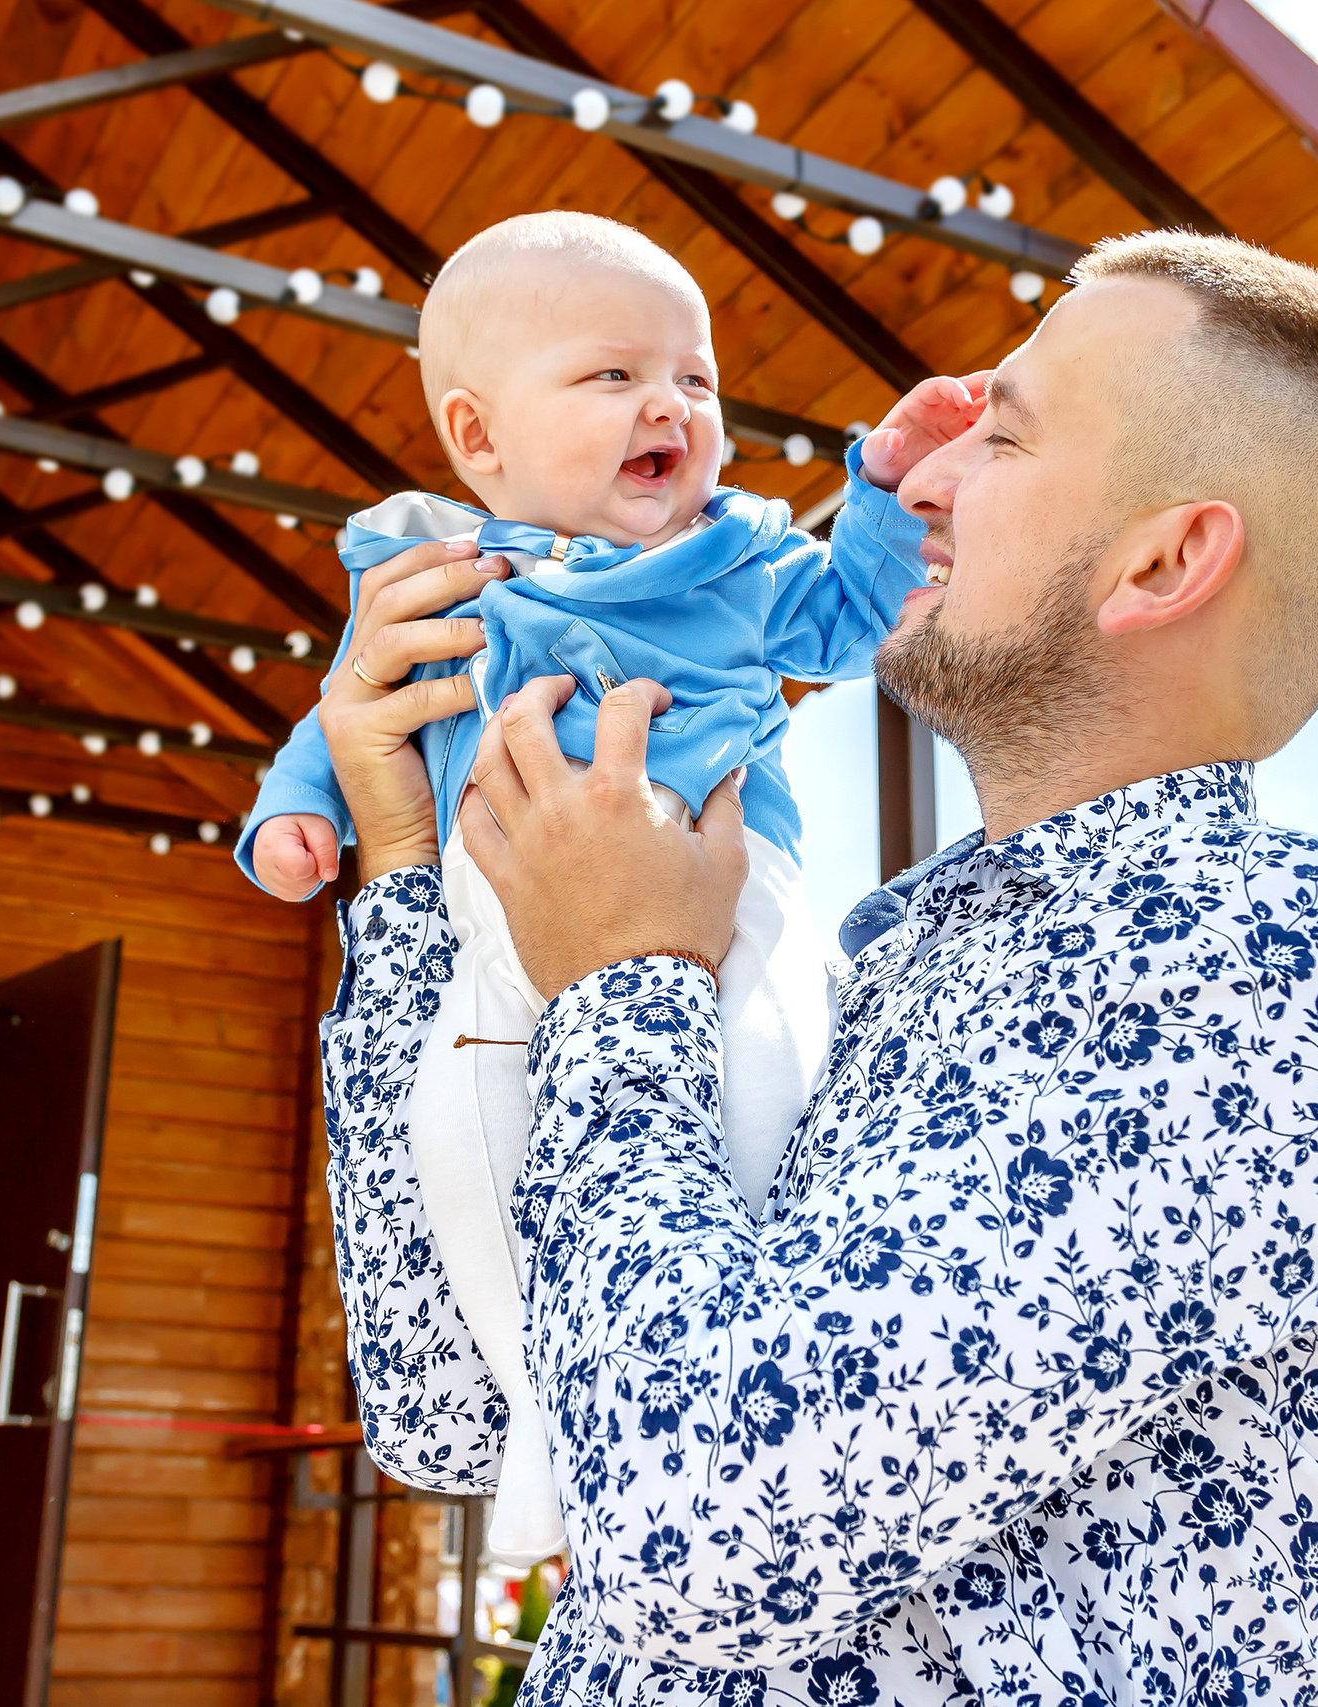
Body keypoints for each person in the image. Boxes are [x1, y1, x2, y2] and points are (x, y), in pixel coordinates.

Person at [310, 230, 1318, 1704]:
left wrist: (624, 976)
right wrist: (407, 863)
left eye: (1001, 436)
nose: (921, 478)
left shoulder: (1277, 970)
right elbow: (449, 1409)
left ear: (1167, 557)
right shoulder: (879, 966)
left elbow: (699, 1538)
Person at [235, 211, 946, 1563]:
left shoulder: (738, 559)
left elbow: (857, 617)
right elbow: (337, 725)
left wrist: (880, 491)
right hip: (489, 909)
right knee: (454, 1127)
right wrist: (294, 820)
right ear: (480, 439)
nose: (670, 401)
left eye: (696, 378)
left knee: (753, 1082)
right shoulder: (435, 571)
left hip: (724, 898)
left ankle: (686, 1384)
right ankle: (557, 1422)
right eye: (614, 375)